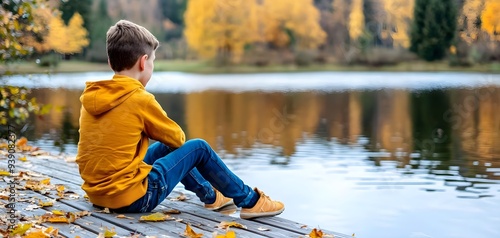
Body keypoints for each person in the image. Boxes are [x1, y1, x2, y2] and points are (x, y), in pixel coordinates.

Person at [75, 20, 284, 219]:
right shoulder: (139, 99)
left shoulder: (92, 98)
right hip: (134, 199)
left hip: (98, 196)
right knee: (198, 148)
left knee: (166, 148)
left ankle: (212, 198)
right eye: (153, 62)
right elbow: (177, 139)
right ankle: (251, 201)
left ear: (111, 62)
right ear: (143, 62)